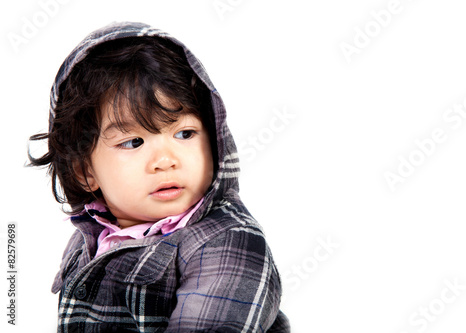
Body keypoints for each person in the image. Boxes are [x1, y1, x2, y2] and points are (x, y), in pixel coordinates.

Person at [29, 21, 290, 332]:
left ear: (216, 141)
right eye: (133, 142)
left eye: (184, 133)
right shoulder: (88, 240)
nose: (165, 161)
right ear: (85, 172)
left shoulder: (228, 241)